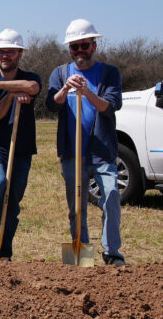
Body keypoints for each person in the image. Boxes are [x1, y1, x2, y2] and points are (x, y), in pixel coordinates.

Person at [46, 19, 125, 266]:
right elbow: (51, 104)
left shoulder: (109, 73)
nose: (79, 51)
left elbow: (110, 107)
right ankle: (81, 248)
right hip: (72, 152)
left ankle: (112, 252)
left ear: (94, 46)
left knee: (112, 194)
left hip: (102, 151)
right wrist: (65, 89)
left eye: (84, 45)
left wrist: (87, 92)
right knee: (76, 205)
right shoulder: (60, 73)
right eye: (74, 47)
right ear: (70, 49)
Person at [0, 30, 41, 260]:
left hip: (21, 150)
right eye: (1, 51)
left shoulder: (30, 77)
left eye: (10, 51)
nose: (5, 55)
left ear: (20, 54)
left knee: (12, 201)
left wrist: (1, 86)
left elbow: (33, 87)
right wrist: (11, 94)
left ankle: (4, 253)